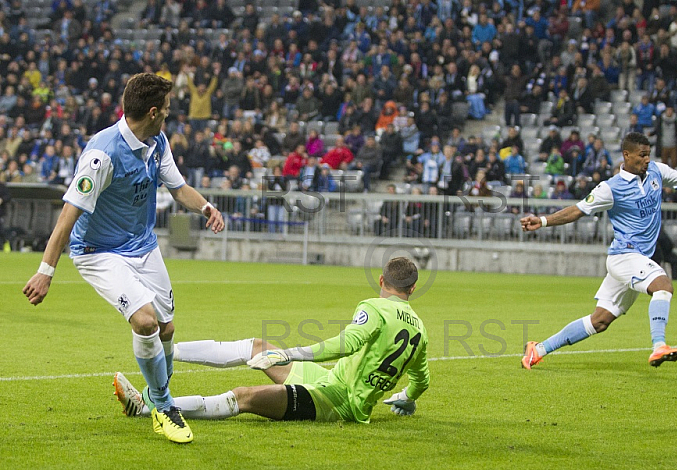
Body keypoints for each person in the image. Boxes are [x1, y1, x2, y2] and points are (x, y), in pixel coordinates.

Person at [22, 73, 225, 444]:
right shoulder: (102, 154)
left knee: (166, 329)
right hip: (98, 252)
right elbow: (67, 216)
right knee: (146, 321)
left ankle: (152, 394)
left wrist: (207, 207)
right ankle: (163, 407)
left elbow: (178, 189)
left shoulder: (157, 142)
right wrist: (45, 272)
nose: (167, 116)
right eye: (164, 110)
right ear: (151, 112)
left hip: (143, 246)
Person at [112, 257, 429, 424]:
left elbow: (346, 344)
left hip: (339, 402)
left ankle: (143, 408)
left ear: (381, 281)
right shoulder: (420, 329)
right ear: (412, 290)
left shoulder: (374, 307)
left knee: (245, 396)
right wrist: (408, 397)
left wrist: (290, 354)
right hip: (330, 379)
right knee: (259, 346)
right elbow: (421, 378)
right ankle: (168, 353)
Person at [519, 132, 677, 369]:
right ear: (626, 155)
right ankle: (659, 345)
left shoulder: (657, 172)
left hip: (637, 259)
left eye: (648, 154)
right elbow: (577, 210)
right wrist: (543, 221)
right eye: (642, 155)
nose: (647, 159)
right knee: (663, 286)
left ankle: (537, 350)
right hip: (625, 256)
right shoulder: (611, 188)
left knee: (600, 320)